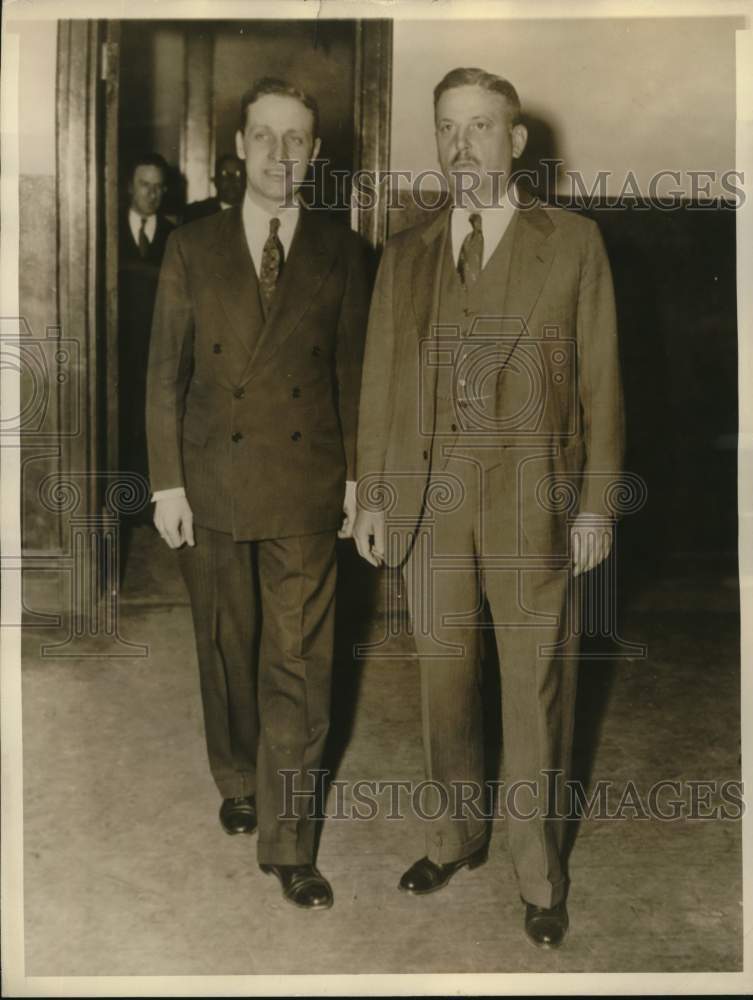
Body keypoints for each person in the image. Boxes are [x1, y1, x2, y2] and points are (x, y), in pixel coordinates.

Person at [354, 67, 624, 948]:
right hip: (430, 509)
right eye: (446, 127)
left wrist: (594, 508)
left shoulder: (573, 243)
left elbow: (602, 386)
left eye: (480, 127)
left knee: (535, 694)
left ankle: (539, 875)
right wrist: (371, 496)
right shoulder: (406, 252)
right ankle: (452, 836)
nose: (462, 144)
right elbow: (381, 386)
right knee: (441, 688)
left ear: (515, 142)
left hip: (532, 509)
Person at [146, 78, 371, 910]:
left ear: (315, 154)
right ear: (237, 149)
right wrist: (165, 481)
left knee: (299, 665)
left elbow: (351, 376)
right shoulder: (191, 248)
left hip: (305, 481)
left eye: (298, 139)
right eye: (265, 136)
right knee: (225, 642)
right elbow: (163, 376)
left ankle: (289, 842)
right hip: (209, 480)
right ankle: (236, 771)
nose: (281, 154)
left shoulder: (343, 253)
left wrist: (357, 483)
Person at [119, 152, 173, 494]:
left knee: (151, 423)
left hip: (157, 348)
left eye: (158, 187)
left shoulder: (176, 237)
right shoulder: (104, 228)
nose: (151, 194)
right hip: (115, 347)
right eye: (144, 185)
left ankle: (148, 499)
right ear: (129, 186)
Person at [182, 153, 245, 223]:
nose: (231, 180)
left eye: (237, 174)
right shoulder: (196, 214)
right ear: (215, 180)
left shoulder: (254, 213)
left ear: (246, 181)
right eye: (224, 174)